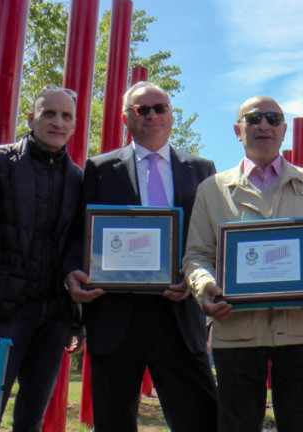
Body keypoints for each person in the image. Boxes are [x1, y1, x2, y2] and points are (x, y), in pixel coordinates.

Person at [183, 96, 303, 432]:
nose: (264, 125)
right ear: (237, 130)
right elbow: (196, 256)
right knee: (236, 425)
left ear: (284, 130)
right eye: (254, 118)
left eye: (274, 119)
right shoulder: (211, 190)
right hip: (235, 330)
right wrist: (204, 286)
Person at [66, 81, 218, 432]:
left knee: (203, 419)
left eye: (160, 108)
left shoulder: (201, 169)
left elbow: (212, 238)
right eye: (141, 109)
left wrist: (194, 279)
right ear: (125, 119)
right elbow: (79, 234)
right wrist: (72, 272)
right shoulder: (99, 169)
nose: (152, 115)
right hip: (115, 314)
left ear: (171, 115)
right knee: (113, 422)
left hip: (178, 313)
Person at [0, 85, 83, 432]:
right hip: (1, 311)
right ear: (31, 118)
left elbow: (78, 252)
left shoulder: (78, 179)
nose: (57, 122)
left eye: (66, 116)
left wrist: (78, 320)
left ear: (74, 125)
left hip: (54, 318)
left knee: (31, 419)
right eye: (49, 113)